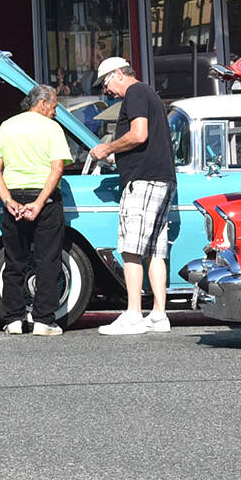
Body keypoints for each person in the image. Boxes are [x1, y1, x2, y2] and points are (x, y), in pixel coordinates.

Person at [89, 58, 175, 335]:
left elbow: (139, 134)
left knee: (131, 249)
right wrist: (119, 155)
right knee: (155, 250)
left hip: (143, 180)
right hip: (161, 179)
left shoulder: (135, 92)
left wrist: (107, 149)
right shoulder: (150, 93)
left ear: (117, 74)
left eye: (106, 83)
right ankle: (159, 314)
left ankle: (134, 314)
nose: (107, 90)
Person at [0, 84, 72, 336]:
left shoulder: (7, 125)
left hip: (13, 198)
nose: (56, 112)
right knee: (48, 261)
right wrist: (41, 201)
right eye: (54, 106)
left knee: (14, 261)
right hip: (43, 200)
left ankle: (13, 319)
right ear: (43, 104)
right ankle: (43, 321)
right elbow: (57, 169)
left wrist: (8, 200)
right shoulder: (52, 128)